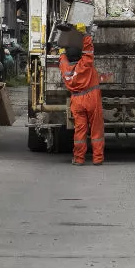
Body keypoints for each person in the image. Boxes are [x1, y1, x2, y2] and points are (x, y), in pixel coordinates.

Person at [58, 23, 105, 166]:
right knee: (96, 129)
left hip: (76, 101)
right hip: (91, 98)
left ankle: (79, 158)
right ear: (80, 56)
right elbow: (89, 50)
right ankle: (97, 158)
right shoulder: (85, 64)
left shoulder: (64, 67)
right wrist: (85, 34)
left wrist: (61, 44)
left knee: (80, 131)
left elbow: (61, 56)